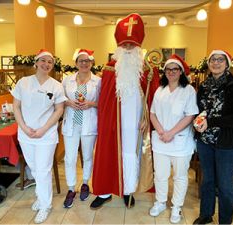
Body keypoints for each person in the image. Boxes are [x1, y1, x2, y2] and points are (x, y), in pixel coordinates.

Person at [90, 13, 160, 209]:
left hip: (137, 123)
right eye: (124, 45)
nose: (128, 48)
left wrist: (147, 118)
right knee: (108, 153)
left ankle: (128, 190)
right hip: (114, 123)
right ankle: (104, 192)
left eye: (132, 45)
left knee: (132, 153)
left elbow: (153, 101)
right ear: (118, 47)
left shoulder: (148, 71)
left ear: (138, 47)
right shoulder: (109, 70)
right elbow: (104, 101)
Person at [12, 49, 66, 224]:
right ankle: (40, 197)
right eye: (43, 61)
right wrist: (24, 127)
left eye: (50, 62)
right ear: (36, 63)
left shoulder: (56, 85)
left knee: (43, 170)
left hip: (46, 135)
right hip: (26, 134)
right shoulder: (23, 82)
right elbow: (16, 107)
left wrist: (43, 129)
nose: (46, 64)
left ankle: (45, 205)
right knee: (34, 169)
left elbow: (59, 109)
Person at [193, 50, 233, 225]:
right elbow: (199, 110)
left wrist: (210, 121)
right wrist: (198, 120)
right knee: (207, 181)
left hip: (227, 143)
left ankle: (225, 221)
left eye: (220, 60)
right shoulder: (203, 86)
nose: (216, 63)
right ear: (208, 63)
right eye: (213, 60)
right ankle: (206, 214)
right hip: (205, 141)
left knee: (224, 185)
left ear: (227, 64)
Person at [149, 54, 199, 223]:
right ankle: (160, 202)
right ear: (165, 72)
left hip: (180, 141)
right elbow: (152, 113)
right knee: (161, 175)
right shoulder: (160, 90)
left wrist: (171, 133)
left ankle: (176, 207)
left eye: (175, 69)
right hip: (161, 140)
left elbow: (191, 114)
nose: (171, 72)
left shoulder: (188, 90)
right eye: (168, 69)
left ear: (181, 72)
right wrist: (162, 131)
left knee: (180, 176)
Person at [61, 49, 101, 208]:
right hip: (71, 123)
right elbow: (60, 98)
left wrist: (91, 104)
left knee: (87, 156)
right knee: (69, 158)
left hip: (89, 123)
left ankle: (85, 183)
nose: (84, 63)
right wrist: (68, 102)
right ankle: (71, 188)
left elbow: (104, 102)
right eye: (81, 60)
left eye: (87, 60)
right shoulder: (67, 80)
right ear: (76, 63)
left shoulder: (98, 81)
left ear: (92, 63)